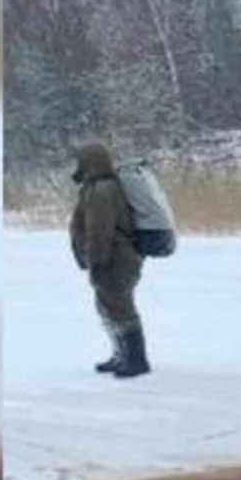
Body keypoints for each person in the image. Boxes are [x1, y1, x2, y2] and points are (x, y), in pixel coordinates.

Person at [69, 143, 150, 378]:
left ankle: (136, 359)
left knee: (120, 306)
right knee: (107, 306)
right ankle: (120, 354)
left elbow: (100, 229)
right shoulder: (95, 187)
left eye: (81, 160)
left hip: (116, 257)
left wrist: (96, 261)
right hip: (113, 256)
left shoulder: (102, 190)